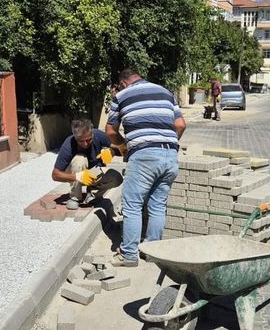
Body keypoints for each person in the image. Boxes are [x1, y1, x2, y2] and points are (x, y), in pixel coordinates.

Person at [106, 68, 186, 267]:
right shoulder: (166, 92)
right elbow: (181, 124)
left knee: (132, 205)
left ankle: (129, 254)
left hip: (143, 155)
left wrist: (124, 147)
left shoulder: (121, 95)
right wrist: (167, 144)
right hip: (170, 155)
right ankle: (153, 253)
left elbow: (110, 131)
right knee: (157, 205)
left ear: (123, 83)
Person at [51, 119, 122, 213]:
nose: (85, 144)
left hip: (94, 172)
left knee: (117, 178)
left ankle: (93, 193)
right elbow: (55, 175)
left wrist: (111, 152)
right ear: (75, 137)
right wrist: (78, 176)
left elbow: (122, 148)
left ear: (92, 134)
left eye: (88, 140)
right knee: (80, 159)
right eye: (81, 141)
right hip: (76, 173)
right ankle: (75, 197)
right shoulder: (69, 144)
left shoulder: (98, 135)